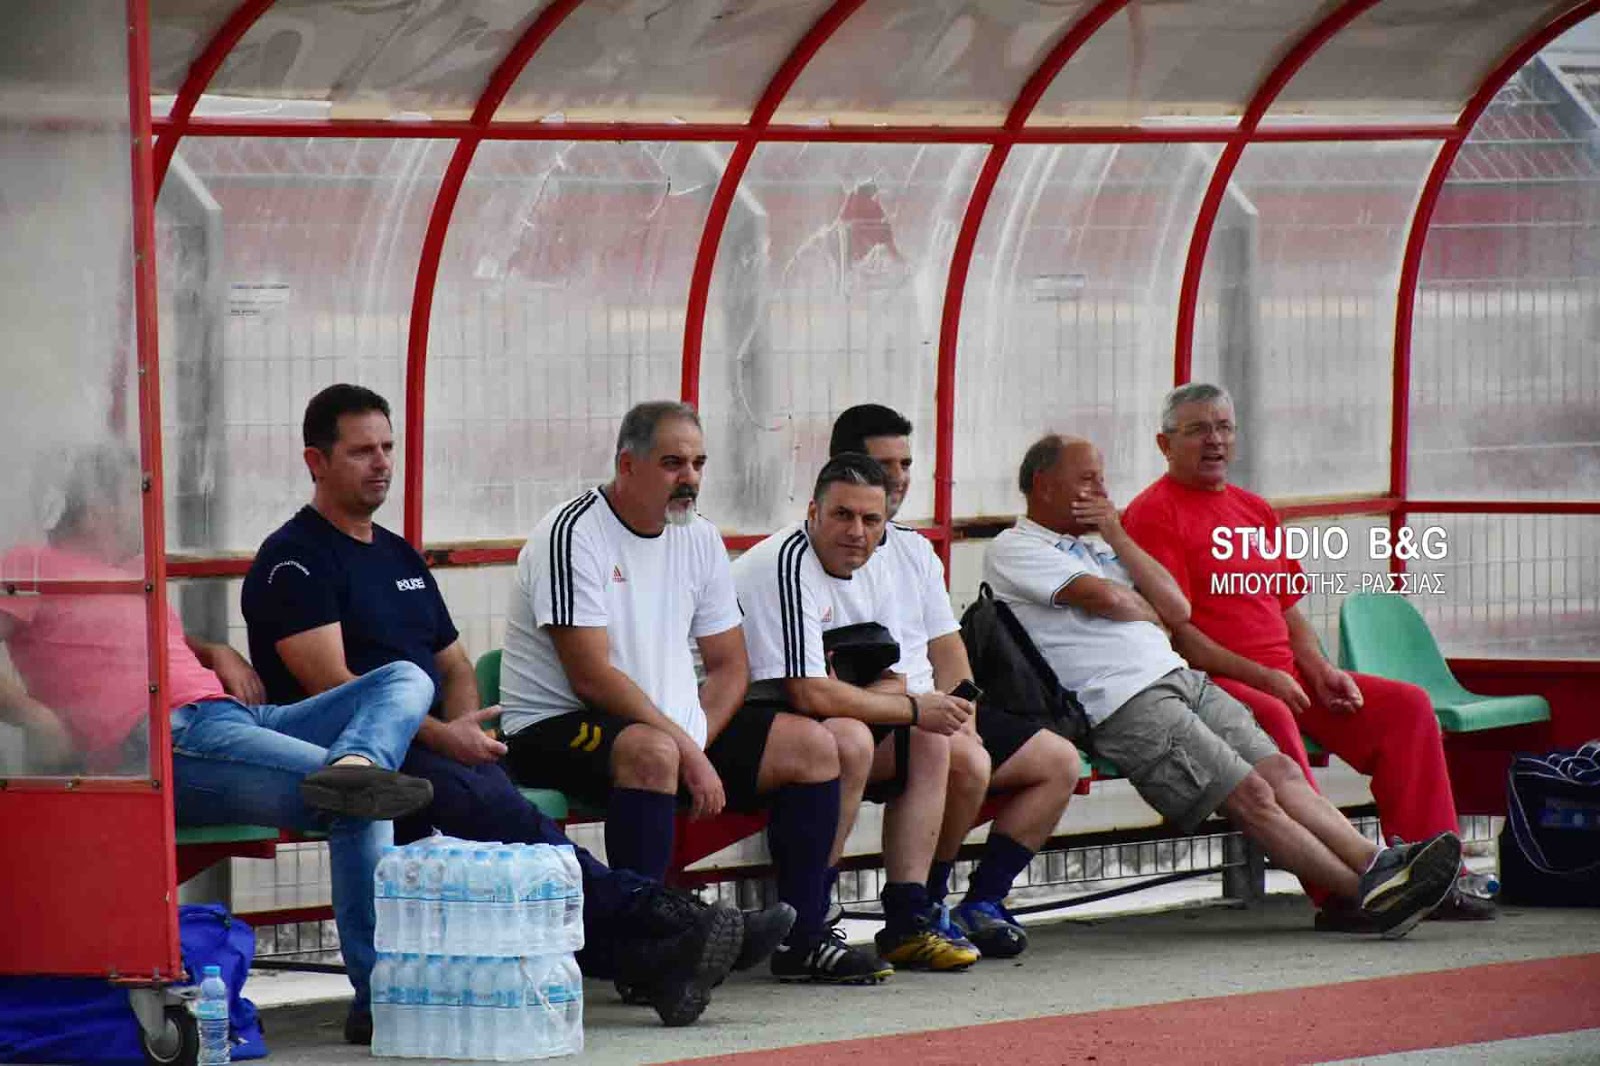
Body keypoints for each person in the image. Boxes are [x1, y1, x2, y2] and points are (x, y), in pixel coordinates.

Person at [241, 385, 791, 1036]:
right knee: (525, 838)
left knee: (523, 838)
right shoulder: (293, 559)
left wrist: (462, 727)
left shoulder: (394, 553)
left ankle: (659, 954)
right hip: (356, 760)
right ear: (316, 461)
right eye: (362, 451)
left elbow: (453, 664)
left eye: (388, 447)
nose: (382, 462)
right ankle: (670, 924)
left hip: (438, 748)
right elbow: (337, 687)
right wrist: (444, 737)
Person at [0, 442, 437, 1031]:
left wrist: (216, 650)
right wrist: (33, 715)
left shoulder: (134, 575)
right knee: (360, 801)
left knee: (405, 679)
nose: (149, 519)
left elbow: (140, 641)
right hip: (165, 742)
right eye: (139, 501)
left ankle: (358, 759)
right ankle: (381, 999)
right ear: (100, 504)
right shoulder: (33, 565)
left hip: (236, 718)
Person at [985, 433, 1462, 939]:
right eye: (1088, 480)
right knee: (1251, 795)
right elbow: (1112, 601)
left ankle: (1378, 865)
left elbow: (1176, 608)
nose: (1102, 492)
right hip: (1125, 703)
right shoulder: (1017, 547)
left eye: (1103, 479)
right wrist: (1143, 608)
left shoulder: (1102, 547)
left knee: (1280, 771)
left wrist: (1118, 537)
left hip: (1179, 678)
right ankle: (1367, 895)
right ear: (1044, 485)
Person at [498, 400, 879, 984]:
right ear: (628, 465)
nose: (691, 478)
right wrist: (686, 752)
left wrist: (696, 742)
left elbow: (730, 667)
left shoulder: (699, 538)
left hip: (671, 729)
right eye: (673, 463)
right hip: (556, 724)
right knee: (652, 752)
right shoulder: (572, 534)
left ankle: (803, 938)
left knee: (813, 747)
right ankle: (647, 956)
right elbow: (591, 677)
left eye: (699, 463)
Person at [1120, 382, 1493, 927]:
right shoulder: (1153, 515)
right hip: (1216, 679)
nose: (1214, 440)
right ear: (1164, 443)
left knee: (1407, 707)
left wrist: (1321, 670)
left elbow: (1289, 609)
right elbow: (1180, 637)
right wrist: (1265, 677)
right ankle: (1344, 892)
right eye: (1197, 429)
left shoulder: (1253, 509)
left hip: (1286, 674)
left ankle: (1431, 880)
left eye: (1223, 428)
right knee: (1273, 715)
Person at [829, 405, 1081, 958]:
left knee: (1059, 762)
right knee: (962, 758)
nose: (899, 477)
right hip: (877, 718)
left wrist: (963, 708)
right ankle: (918, 908)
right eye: (884, 464)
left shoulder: (915, 549)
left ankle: (980, 903)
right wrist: (942, 723)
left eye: (905, 464)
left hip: (934, 709)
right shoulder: (824, 549)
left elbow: (948, 646)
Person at [732, 453, 982, 972]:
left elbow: (890, 676)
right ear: (813, 512)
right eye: (842, 515)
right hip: (726, 723)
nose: (857, 532)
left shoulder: (876, 565)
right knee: (851, 737)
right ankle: (805, 930)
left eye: (871, 520)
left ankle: (908, 920)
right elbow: (808, 693)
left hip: (803, 720)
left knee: (928, 738)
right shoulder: (785, 562)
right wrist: (901, 704)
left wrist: (889, 702)